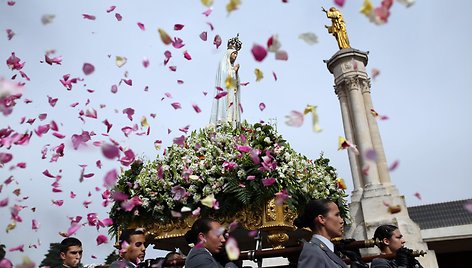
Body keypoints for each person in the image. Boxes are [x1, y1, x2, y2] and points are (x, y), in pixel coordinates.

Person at [294, 199, 347, 268]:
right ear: (321, 219)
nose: (341, 220)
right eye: (337, 215)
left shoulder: (326, 249)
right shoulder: (312, 252)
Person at [210, 34, 242, 127]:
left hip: (231, 95)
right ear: (229, 53)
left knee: (231, 114)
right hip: (226, 94)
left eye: (236, 54)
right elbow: (224, 77)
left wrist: (235, 73)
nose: (235, 56)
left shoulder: (232, 67)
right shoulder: (223, 63)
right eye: (234, 53)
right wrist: (233, 71)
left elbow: (235, 84)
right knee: (225, 112)